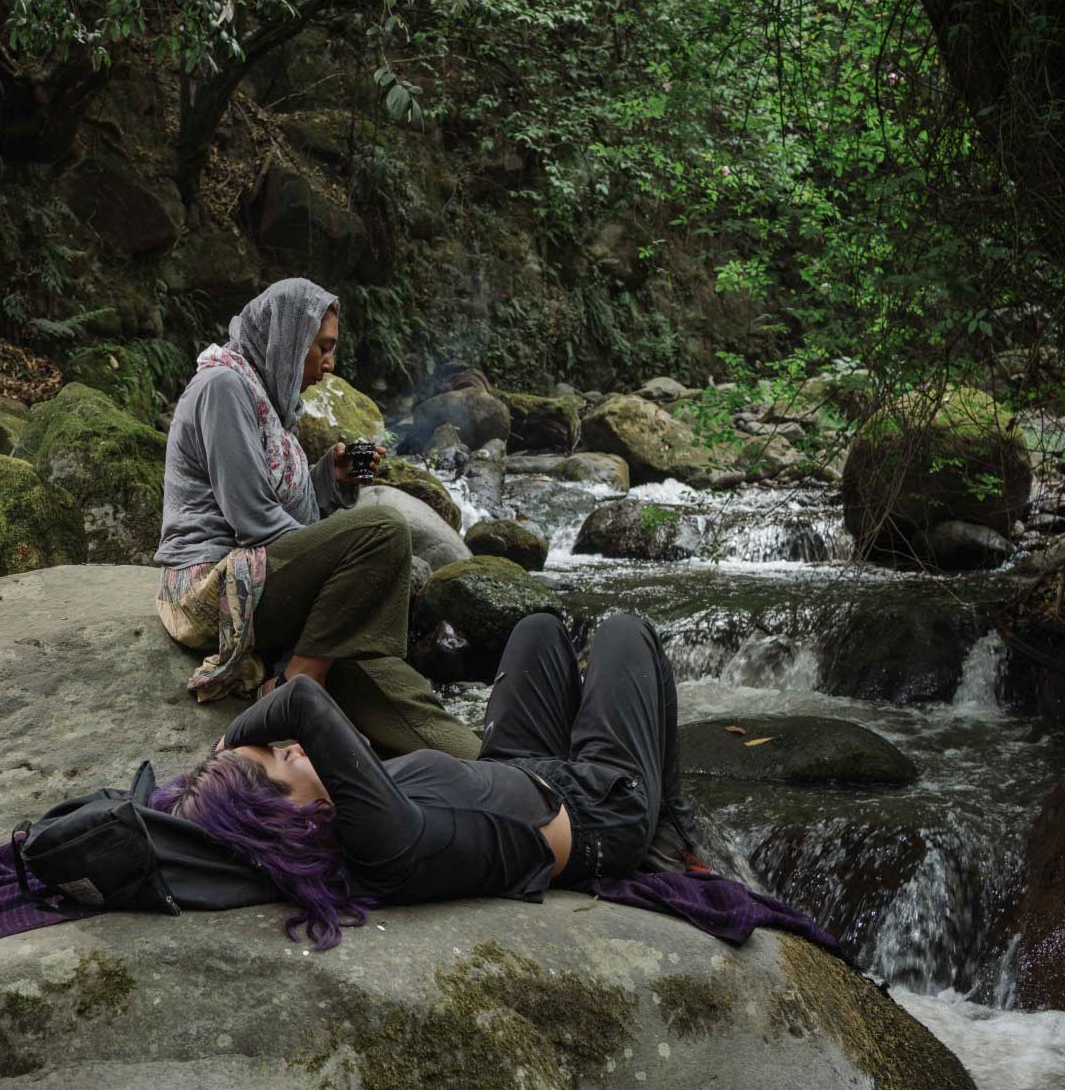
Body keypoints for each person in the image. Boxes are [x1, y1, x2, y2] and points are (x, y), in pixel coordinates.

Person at [152, 610, 706, 948]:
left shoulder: (352, 815)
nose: (296, 747)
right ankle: (670, 830)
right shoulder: (382, 846)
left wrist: (219, 764)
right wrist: (231, 740)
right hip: (601, 809)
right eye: (283, 760)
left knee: (537, 630)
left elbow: (155, 816)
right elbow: (301, 699)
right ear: (293, 815)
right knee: (623, 632)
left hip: (516, 768)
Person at [154, 276, 478, 758]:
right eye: (323, 348)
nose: (329, 366)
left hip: (264, 583)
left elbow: (282, 511)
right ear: (288, 338)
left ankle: (489, 767)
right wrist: (341, 557)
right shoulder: (222, 387)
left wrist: (332, 477)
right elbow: (254, 520)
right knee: (384, 530)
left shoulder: (265, 403)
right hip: (211, 587)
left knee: (398, 687)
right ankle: (294, 687)